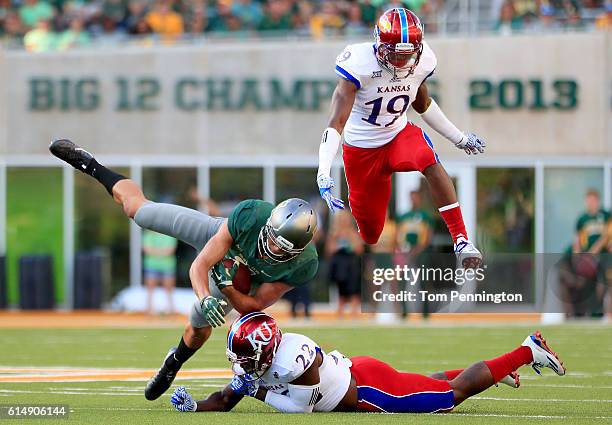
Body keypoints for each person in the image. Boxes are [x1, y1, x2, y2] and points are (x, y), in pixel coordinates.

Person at [49, 139, 319, 401]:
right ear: (268, 224)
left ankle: (174, 362)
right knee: (139, 211)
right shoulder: (251, 215)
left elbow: (255, 306)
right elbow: (200, 264)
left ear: (297, 250)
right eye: (271, 237)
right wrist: (204, 296)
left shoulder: (304, 265)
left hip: (243, 283)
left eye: (282, 247)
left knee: (198, 328)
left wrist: (224, 287)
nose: (272, 248)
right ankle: (90, 164)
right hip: (219, 238)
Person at [316, 8, 485, 269]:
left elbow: (423, 103)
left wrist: (458, 138)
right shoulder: (358, 62)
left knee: (429, 160)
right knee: (371, 233)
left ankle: (461, 240)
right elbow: (336, 122)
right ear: (380, 46)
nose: (401, 62)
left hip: (397, 135)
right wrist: (324, 170)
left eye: (407, 55)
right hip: (362, 149)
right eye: (394, 54)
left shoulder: (424, 60)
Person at [169, 312, 564, 413]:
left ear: (265, 349)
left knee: (448, 397)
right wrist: (198, 406)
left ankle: (528, 350)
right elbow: (226, 397)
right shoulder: (263, 355)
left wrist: (252, 388)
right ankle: (496, 370)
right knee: (424, 382)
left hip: (368, 389)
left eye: (245, 356)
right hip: (360, 370)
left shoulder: (296, 358)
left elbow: (296, 408)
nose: (241, 363)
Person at [325, 210, 364, 318]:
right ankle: (340, 314)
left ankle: (354, 314)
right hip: (339, 265)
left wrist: (350, 237)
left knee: (353, 289)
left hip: (351, 264)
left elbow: (359, 249)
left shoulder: (354, 233)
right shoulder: (333, 234)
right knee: (340, 289)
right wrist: (336, 239)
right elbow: (329, 251)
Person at [143, 229, 178, 316]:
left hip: (167, 265)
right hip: (152, 265)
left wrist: (156, 252)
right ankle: (149, 308)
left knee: (169, 287)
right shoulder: (149, 234)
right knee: (150, 287)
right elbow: (146, 249)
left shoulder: (170, 235)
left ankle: (170, 309)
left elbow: (170, 250)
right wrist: (162, 252)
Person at [572, 189, 610, 255]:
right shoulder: (582, 219)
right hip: (587, 250)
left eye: (593, 200)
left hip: (604, 251)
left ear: (598, 201)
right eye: (588, 201)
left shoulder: (607, 215)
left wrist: (594, 250)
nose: (591, 203)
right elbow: (577, 239)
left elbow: (606, 235)